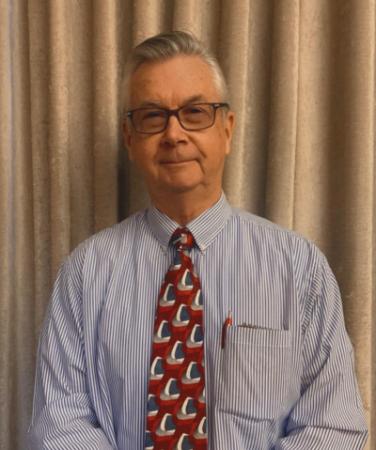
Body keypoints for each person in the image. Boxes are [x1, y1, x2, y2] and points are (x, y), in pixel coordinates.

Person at [28, 31, 368, 449]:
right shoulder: (85, 273)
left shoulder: (297, 267)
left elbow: (334, 425)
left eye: (195, 112)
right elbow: (60, 424)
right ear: (129, 138)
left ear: (227, 129)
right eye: (153, 116)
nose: (174, 134)